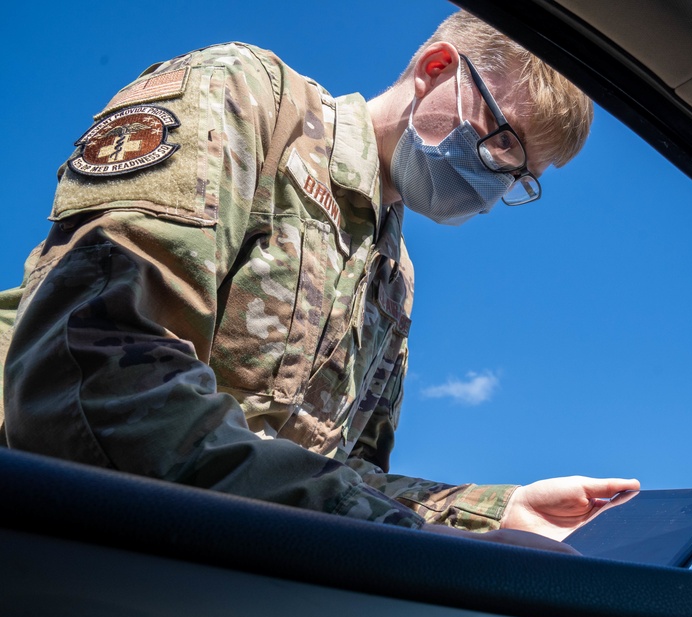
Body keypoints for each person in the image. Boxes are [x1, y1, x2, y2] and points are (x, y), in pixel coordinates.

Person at [0, 11, 638, 550]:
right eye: (503, 142)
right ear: (436, 70)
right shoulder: (248, 99)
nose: (497, 186)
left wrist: (492, 513)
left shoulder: (395, 277)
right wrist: (382, 532)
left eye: (521, 176)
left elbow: (340, 473)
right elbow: (90, 376)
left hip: (205, 572)